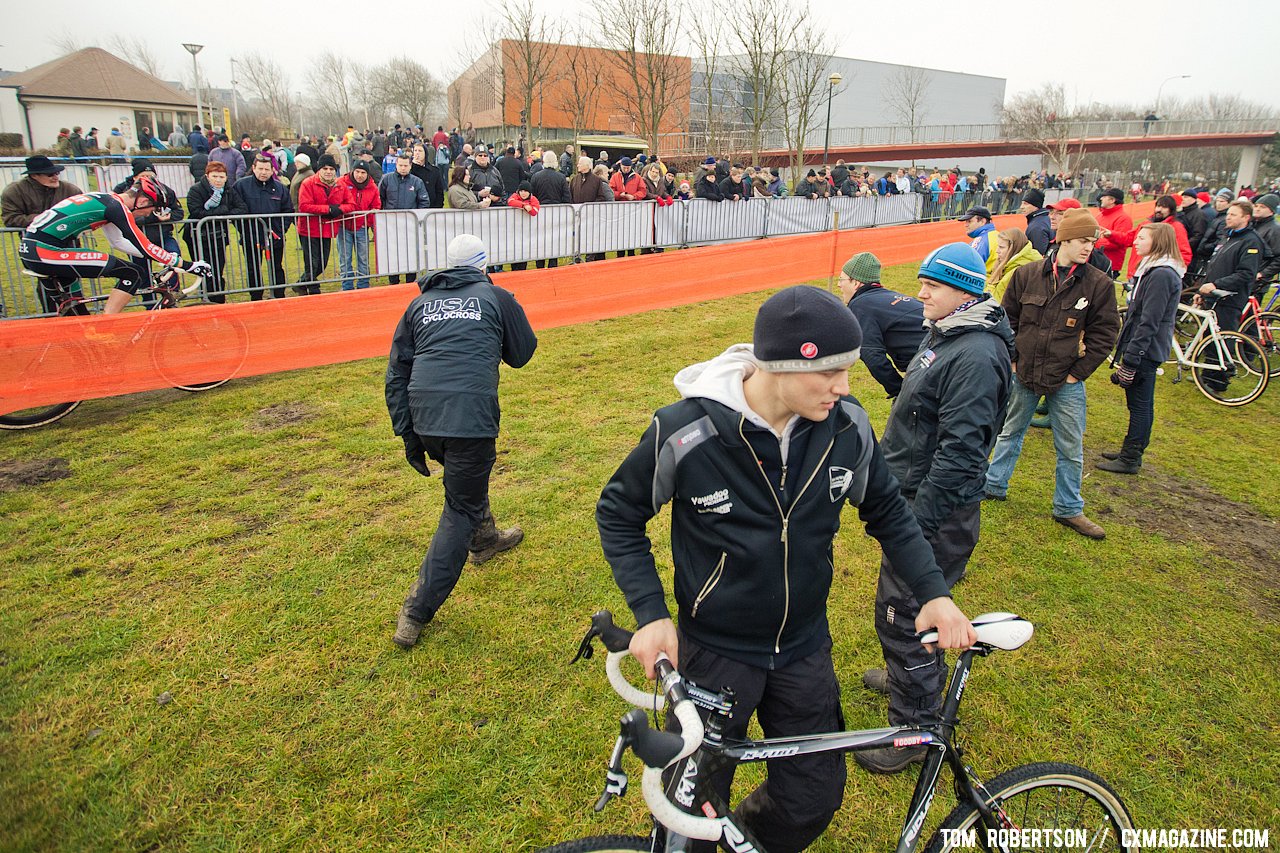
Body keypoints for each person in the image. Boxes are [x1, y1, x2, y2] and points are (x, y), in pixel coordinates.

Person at [596, 285, 976, 852]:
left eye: (847, 370)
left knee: (812, 801)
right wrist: (651, 614)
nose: (845, 387)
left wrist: (933, 593)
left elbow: (890, 513)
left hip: (803, 649)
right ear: (779, 366)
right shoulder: (684, 431)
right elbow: (619, 512)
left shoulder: (847, 427)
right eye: (829, 372)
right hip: (713, 652)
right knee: (686, 814)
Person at [859, 243, 1012, 774]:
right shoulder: (945, 331)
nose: (920, 292)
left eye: (935, 285)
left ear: (966, 292)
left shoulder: (974, 354)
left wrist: (914, 529)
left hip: (933, 512)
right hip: (910, 500)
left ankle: (915, 728)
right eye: (922, 281)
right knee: (899, 609)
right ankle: (906, 677)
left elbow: (961, 458)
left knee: (908, 619)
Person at [387, 234, 538, 649]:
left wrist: (409, 435)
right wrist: (509, 308)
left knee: (465, 484)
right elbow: (522, 353)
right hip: (468, 419)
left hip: (426, 418)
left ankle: (485, 538)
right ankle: (416, 610)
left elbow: (396, 371)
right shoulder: (496, 295)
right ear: (484, 264)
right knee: (460, 507)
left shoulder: (419, 303)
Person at [984, 209, 1120, 540]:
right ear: (1063, 241)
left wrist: (1078, 373)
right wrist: (1013, 361)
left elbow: (1105, 334)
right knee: (1010, 433)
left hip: (1066, 379)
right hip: (1025, 373)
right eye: (1083, 241)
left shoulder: (1099, 284)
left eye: (1092, 241)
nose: (1089, 247)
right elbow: (1007, 320)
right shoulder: (1027, 275)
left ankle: (1069, 508)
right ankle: (992, 486)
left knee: (1071, 447)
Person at [19, 176, 210, 314]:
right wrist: (187, 265)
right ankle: (109, 324)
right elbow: (143, 245)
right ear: (143, 201)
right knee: (133, 273)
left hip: (34, 250)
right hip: (46, 251)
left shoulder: (106, 199)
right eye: (153, 209)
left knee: (78, 314)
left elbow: (118, 242)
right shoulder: (116, 207)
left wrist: (163, 260)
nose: (150, 214)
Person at [1097, 223, 1184, 475]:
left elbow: (1149, 320)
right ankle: (1132, 450)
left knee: (1141, 405)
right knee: (1139, 403)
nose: (1136, 242)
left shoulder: (1161, 274)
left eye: (1142, 238)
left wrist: (1133, 358)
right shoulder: (1155, 270)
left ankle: (1131, 456)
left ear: (1158, 242)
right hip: (1145, 347)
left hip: (1146, 350)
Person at [837, 252, 926, 398]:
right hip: (947, 357)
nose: (839, 284)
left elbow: (872, 355)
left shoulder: (860, 305)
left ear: (856, 283)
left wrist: (900, 391)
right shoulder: (889, 297)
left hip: (929, 367)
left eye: (842, 279)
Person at [184, 160, 247, 303]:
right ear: (207, 176)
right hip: (197, 237)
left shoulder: (229, 190)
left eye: (222, 177)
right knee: (204, 270)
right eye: (215, 176)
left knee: (217, 270)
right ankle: (207, 298)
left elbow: (241, 208)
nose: (218, 180)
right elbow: (196, 211)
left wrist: (220, 214)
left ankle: (218, 301)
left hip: (218, 236)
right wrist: (223, 211)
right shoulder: (196, 190)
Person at [233, 154, 294, 300]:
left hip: (274, 236)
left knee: (276, 267)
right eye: (260, 168)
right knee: (253, 269)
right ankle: (256, 297)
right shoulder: (241, 186)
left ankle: (279, 295)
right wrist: (245, 230)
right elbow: (235, 210)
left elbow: (288, 211)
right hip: (251, 237)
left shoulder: (280, 188)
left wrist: (280, 230)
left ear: (272, 170)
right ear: (253, 168)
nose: (263, 172)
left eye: (267, 169)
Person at [295, 155, 354, 296]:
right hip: (309, 229)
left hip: (327, 229)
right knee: (312, 262)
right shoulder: (308, 183)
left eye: (331, 169)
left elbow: (351, 204)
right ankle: (312, 288)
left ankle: (301, 283)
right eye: (325, 168)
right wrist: (327, 209)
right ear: (319, 170)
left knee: (322, 263)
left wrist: (339, 209)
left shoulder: (341, 185)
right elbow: (304, 206)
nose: (328, 171)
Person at [380, 155, 432, 284]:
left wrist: (417, 218)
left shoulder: (417, 182)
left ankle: (410, 281)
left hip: (410, 226)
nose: (403, 168)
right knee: (393, 254)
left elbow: (424, 201)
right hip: (391, 225)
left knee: (411, 254)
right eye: (400, 165)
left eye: (406, 165)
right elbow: (379, 199)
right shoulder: (386, 179)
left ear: (410, 166)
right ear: (396, 165)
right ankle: (393, 281)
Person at [336, 161, 381, 291]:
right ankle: (347, 286)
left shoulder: (372, 187)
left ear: (367, 174)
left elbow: (376, 206)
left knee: (363, 258)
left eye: (363, 173)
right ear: (352, 171)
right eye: (357, 172)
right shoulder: (341, 182)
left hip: (361, 227)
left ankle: (363, 285)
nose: (359, 175)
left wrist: (368, 222)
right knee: (345, 258)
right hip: (344, 226)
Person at [986, 228, 1042, 302]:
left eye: (1001, 247)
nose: (997, 251)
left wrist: (990, 287)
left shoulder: (1014, 272)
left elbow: (995, 302)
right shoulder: (1028, 263)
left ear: (1014, 249)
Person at [1093, 188, 1133, 273]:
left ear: (1112, 200)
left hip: (1110, 264)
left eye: (1104, 197)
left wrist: (1094, 243)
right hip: (1094, 261)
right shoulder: (1099, 215)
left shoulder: (1123, 219)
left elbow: (1121, 242)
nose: (1101, 199)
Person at [1248, 193, 1280, 296]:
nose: (1257, 209)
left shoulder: (1274, 230)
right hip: (1245, 276)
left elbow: (1278, 258)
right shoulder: (1251, 225)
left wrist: (1262, 274)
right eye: (1256, 206)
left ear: (1271, 211)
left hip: (1257, 282)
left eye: (1262, 207)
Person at [958, 205, 998, 277]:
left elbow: (969, 268)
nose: (966, 225)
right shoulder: (997, 235)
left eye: (969, 221)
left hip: (983, 284)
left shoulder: (981, 241)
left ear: (982, 221)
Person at [1020, 188, 1051, 254]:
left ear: (1036, 206)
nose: (1021, 207)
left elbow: (1038, 254)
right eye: (1022, 203)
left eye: (1026, 204)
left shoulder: (1037, 226)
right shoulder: (1046, 218)